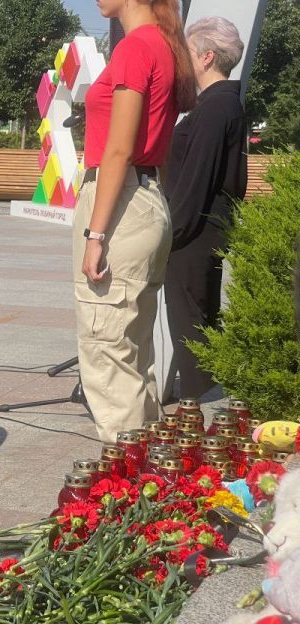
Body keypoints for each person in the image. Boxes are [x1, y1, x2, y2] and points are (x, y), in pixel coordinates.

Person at [73, 0, 196, 442]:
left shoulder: (135, 47)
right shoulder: (165, 44)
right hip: (145, 198)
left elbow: (119, 149)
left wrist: (96, 233)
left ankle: (125, 482)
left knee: (107, 351)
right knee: (134, 353)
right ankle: (148, 476)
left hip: (120, 202)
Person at [164, 16, 247, 399]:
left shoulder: (216, 108)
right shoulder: (221, 104)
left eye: (188, 52)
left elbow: (197, 179)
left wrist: (171, 233)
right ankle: (199, 402)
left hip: (193, 234)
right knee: (198, 318)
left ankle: (195, 409)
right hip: (202, 229)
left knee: (190, 322)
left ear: (207, 57)